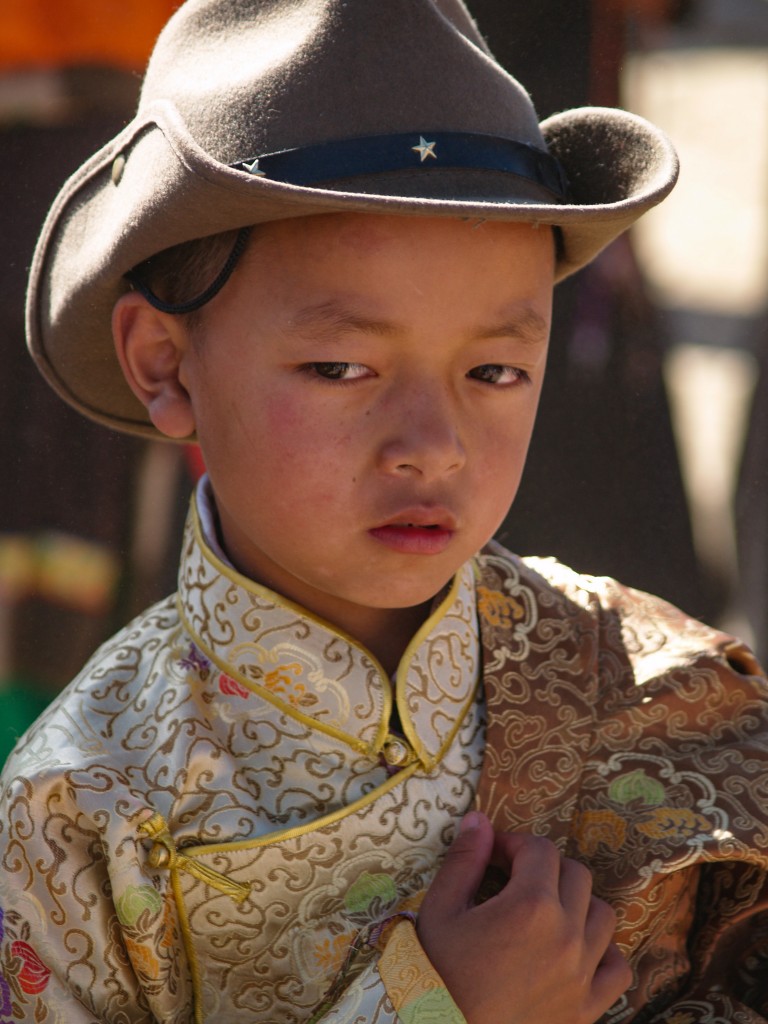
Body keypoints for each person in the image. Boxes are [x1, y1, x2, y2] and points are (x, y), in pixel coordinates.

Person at [1, 1, 768, 1022]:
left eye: (495, 369)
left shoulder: (667, 693)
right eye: (341, 366)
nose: (433, 442)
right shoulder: (80, 804)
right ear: (164, 361)